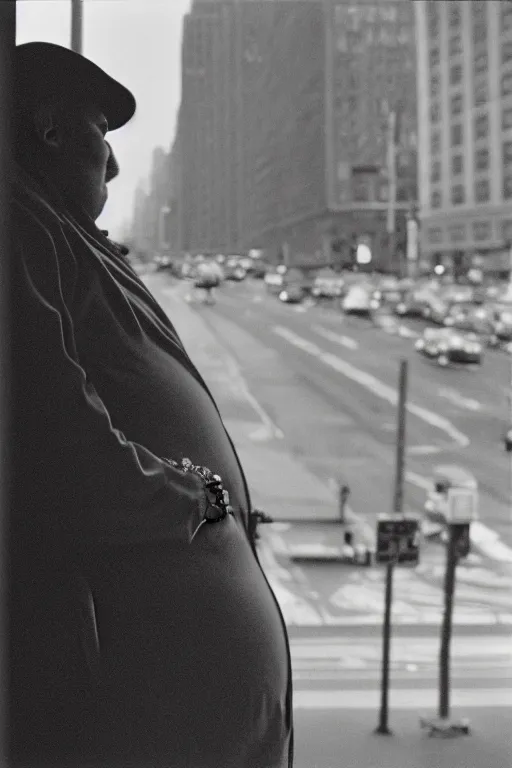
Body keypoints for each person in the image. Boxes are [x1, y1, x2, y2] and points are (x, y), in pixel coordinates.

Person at [9, 42, 293, 768]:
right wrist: (189, 497)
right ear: (47, 128)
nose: (113, 164)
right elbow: (52, 445)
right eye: (101, 133)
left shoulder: (60, 234)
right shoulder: (23, 225)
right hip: (145, 711)